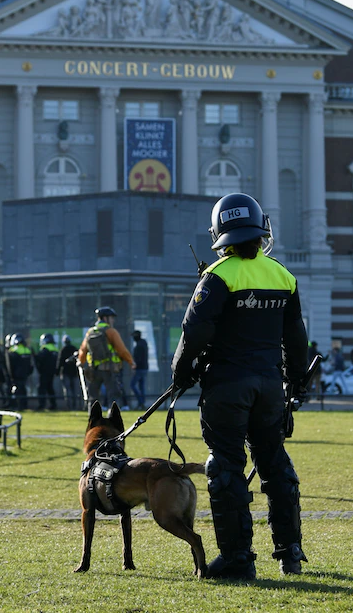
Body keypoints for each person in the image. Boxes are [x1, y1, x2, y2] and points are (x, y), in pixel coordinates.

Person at [171, 192, 309, 580]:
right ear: (261, 228)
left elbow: (194, 331)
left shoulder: (217, 276)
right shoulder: (284, 275)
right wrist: (296, 381)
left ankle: (237, 558)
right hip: (270, 387)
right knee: (276, 466)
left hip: (228, 387)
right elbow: (297, 339)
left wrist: (180, 371)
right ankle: (290, 553)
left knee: (226, 468)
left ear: (220, 232)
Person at [77, 307, 135, 409]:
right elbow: (122, 350)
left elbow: (83, 349)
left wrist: (81, 361)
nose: (113, 320)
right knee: (113, 396)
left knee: (93, 398)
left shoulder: (90, 332)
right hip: (110, 369)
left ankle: (93, 420)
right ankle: (112, 419)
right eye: (111, 318)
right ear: (105, 318)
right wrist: (131, 362)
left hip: (94, 370)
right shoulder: (111, 331)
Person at [5, 333, 33, 409]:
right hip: (25, 375)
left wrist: (11, 376)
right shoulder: (27, 350)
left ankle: (17, 405)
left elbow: (10, 366)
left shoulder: (13, 351)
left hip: (16, 375)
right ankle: (24, 405)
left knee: (17, 391)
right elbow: (31, 365)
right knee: (23, 390)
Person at [35, 333, 59, 410]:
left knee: (42, 389)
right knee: (50, 389)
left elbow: (39, 359)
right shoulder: (55, 349)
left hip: (44, 372)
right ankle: (53, 404)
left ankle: (41, 405)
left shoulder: (45, 349)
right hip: (52, 373)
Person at [57, 335, 78, 408]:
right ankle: (75, 405)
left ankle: (69, 405)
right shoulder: (74, 349)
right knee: (74, 390)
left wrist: (57, 371)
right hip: (74, 373)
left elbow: (60, 362)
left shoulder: (63, 349)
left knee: (67, 389)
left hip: (65, 372)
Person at [130, 330, 149, 409]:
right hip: (144, 368)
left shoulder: (139, 346)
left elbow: (138, 358)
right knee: (141, 387)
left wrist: (135, 365)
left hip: (140, 368)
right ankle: (142, 403)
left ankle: (141, 401)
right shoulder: (143, 344)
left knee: (132, 385)